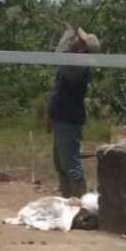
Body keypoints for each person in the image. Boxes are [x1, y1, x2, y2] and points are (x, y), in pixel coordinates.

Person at [47, 25, 100, 197]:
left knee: (70, 164)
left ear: (83, 47)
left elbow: (58, 57)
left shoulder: (78, 66)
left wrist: (67, 35)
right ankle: (67, 200)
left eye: (79, 39)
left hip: (67, 119)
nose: (76, 39)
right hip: (61, 117)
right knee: (60, 163)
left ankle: (79, 202)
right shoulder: (76, 62)